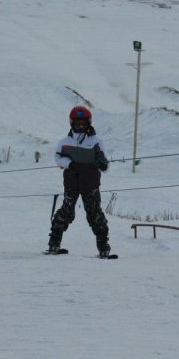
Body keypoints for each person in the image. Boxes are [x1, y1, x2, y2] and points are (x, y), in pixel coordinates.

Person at [47, 106, 112, 257]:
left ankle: (103, 246)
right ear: (72, 123)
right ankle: (54, 243)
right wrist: (69, 164)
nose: (80, 126)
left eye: (83, 123)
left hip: (90, 184)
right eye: (77, 123)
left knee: (94, 213)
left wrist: (102, 163)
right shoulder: (64, 142)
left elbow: (104, 164)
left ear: (88, 123)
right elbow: (58, 158)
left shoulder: (96, 142)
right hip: (71, 183)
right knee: (67, 211)